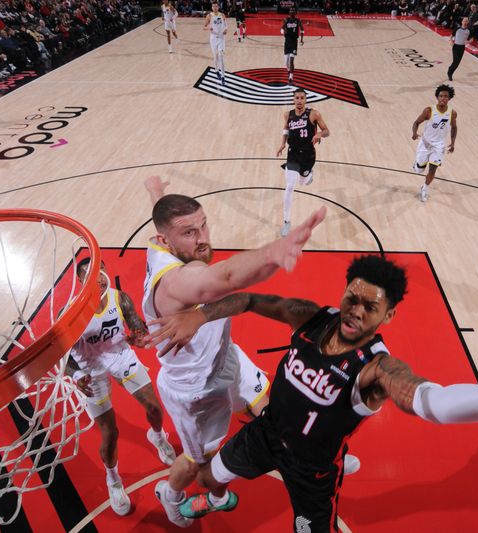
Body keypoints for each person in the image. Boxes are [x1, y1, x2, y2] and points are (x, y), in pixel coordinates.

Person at [147, 255, 478, 531]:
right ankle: (218, 500)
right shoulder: (312, 317)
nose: (356, 309)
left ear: (389, 316)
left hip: (312, 470)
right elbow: (255, 298)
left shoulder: (377, 369)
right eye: (352, 296)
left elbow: (437, 403)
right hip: (265, 434)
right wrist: (203, 312)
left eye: (371, 305)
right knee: (210, 477)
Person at [141, 176, 326, 527]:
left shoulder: (161, 242)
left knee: (268, 405)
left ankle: (303, 459)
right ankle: (171, 495)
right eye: (190, 233)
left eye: (204, 225)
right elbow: (224, 279)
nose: (204, 238)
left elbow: (169, 221)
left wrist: (157, 193)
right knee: (198, 460)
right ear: (166, 240)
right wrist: (273, 251)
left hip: (225, 356)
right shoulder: (176, 281)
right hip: (195, 387)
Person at [66, 258, 175, 516]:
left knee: (155, 408)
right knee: (110, 432)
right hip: (90, 369)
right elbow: (63, 356)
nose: (100, 278)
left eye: (101, 272)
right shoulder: (70, 314)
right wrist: (77, 374)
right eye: (91, 275)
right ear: (81, 281)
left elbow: (136, 327)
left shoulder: (120, 299)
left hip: (120, 355)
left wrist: (138, 337)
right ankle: (113, 480)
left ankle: (157, 437)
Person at [276, 88, 329, 237]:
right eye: (297, 98)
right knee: (290, 186)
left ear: (306, 100)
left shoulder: (314, 114)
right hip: (292, 154)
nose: (299, 101)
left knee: (303, 182)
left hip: (308, 155)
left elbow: (327, 131)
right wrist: (282, 144)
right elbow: (286, 130)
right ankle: (287, 222)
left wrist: (319, 133)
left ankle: (308, 175)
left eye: (302, 98)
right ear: (293, 100)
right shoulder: (288, 114)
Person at [411, 84, 457, 202]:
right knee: (419, 170)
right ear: (437, 97)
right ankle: (417, 164)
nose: (443, 98)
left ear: (449, 98)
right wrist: (415, 133)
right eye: (441, 96)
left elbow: (454, 127)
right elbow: (416, 122)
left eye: (446, 96)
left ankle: (425, 188)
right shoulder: (429, 111)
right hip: (425, 144)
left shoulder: (452, 113)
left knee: (433, 169)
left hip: (439, 146)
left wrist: (452, 143)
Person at [204, 2, 227, 84]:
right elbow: (204, 26)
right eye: (213, 6)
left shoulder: (222, 15)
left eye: (216, 6)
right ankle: (216, 70)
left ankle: (223, 76)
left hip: (221, 37)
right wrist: (208, 28)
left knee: (221, 56)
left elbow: (225, 24)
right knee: (215, 56)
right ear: (212, 7)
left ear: (218, 7)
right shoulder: (209, 16)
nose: (215, 7)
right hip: (213, 38)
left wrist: (226, 30)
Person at [281, 8, 304, 84]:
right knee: (286, 63)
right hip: (287, 42)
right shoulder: (286, 20)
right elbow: (282, 28)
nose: (292, 11)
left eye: (293, 10)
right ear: (289, 12)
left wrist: (301, 39)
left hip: (294, 42)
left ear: (295, 12)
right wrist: (283, 32)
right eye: (291, 10)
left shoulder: (298, 20)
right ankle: (289, 70)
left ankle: (291, 76)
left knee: (291, 60)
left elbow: (302, 29)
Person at [447, 17, 470, 81]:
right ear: (462, 22)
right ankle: (450, 74)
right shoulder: (457, 29)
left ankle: (451, 71)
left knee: (457, 63)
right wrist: (451, 42)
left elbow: (471, 38)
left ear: (468, 22)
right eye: (464, 21)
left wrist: (469, 41)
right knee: (455, 61)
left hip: (462, 47)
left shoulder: (468, 31)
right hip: (456, 46)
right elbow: (451, 36)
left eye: (466, 21)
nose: (465, 22)